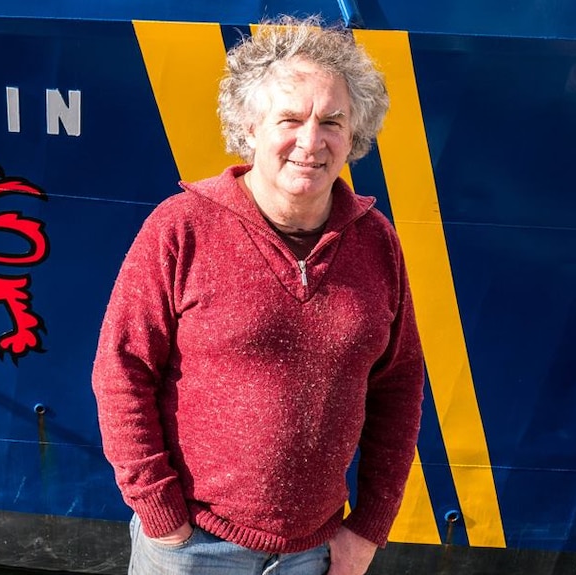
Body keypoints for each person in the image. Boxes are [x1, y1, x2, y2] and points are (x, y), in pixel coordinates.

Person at [92, 15, 424, 575]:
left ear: (354, 135)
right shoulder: (182, 228)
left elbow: (399, 387)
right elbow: (121, 370)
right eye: (289, 119)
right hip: (194, 545)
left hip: (315, 551)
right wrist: (161, 514)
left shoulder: (376, 243)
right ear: (249, 129)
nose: (311, 142)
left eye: (332, 122)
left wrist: (369, 527)